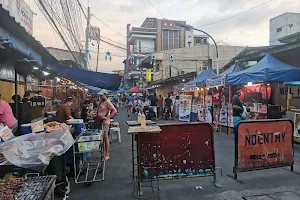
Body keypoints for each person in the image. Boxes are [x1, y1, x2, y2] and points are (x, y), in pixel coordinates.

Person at [95, 89, 117, 161]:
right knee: (102, 138)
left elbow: (114, 110)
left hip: (105, 122)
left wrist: (108, 117)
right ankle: (103, 153)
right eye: (100, 95)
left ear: (105, 94)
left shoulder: (107, 102)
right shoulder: (102, 101)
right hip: (100, 121)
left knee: (105, 137)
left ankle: (107, 154)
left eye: (101, 95)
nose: (100, 96)